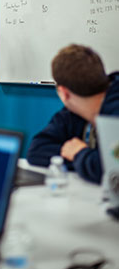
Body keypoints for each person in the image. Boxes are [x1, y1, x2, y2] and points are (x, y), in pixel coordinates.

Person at [27, 44, 119, 184]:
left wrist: (79, 154)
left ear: (63, 93)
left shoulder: (115, 110)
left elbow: (112, 170)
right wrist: (86, 160)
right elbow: (37, 150)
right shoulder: (72, 113)